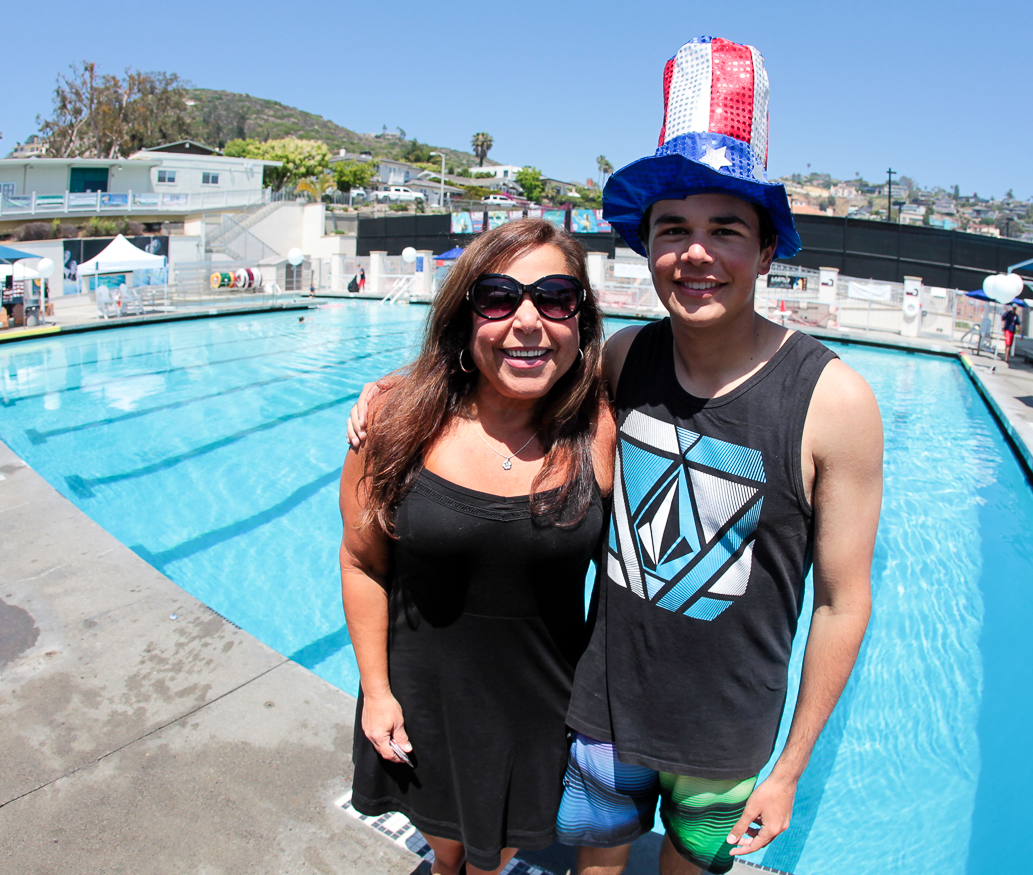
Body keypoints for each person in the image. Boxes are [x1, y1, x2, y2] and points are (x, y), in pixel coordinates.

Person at [348, 36, 879, 875]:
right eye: (674, 229)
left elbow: (844, 603)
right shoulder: (625, 362)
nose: (695, 253)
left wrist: (790, 767)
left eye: (725, 229)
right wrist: (404, 384)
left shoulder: (833, 401)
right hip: (602, 713)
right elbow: (511, 368)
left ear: (767, 247)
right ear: (648, 244)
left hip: (724, 737)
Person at [339, 218, 614, 875]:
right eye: (498, 298)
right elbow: (361, 562)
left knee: (493, 861)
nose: (528, 321)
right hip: (421, 700)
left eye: (555, 298)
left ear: (580, 319)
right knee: (447, 853)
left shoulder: (601, 429)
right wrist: (377, 691)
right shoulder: (396, 421)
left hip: (538, 711)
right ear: (465, 315)